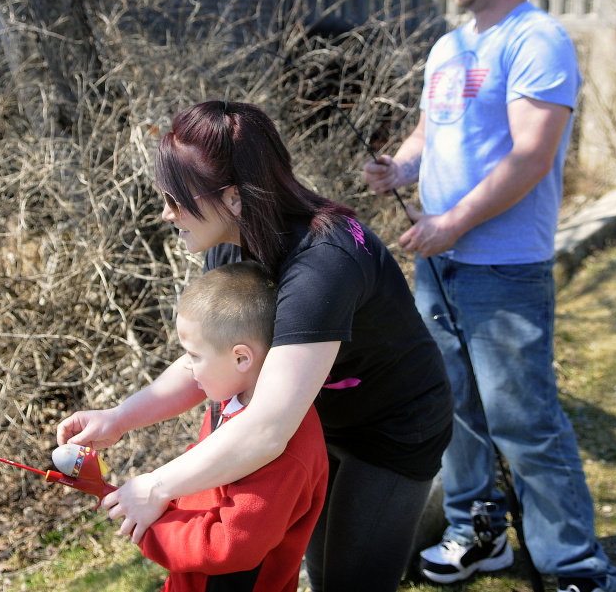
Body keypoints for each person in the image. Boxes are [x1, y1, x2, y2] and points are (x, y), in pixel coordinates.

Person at [58, 100, 454, 592]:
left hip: (394, 427)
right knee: (322, 571)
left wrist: (156, 487)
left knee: (352, 584)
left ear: (234, 197)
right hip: (314, 421)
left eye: (177, 198)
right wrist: (120, 417)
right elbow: (209, 359)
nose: (165, 212)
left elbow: (267, 428)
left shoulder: (322, 265)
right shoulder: (229, 240)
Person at [364, 0, 616, 592]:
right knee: (453, 410)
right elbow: (432, 134)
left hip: (504, 268)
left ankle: (576, 566)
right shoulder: (449, 48)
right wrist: (401, 168)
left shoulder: (537, 40)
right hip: (439, 262)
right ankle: (480, 535)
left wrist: (454, 222)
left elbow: (533, 155)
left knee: (525, 420)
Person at [138, 261, 327, 592]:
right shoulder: (229, 400)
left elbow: (231, 547)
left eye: (194, 356)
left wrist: (150, 526)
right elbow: (201, 487)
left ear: (241, 358)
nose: (189, 369)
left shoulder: (285, 451)